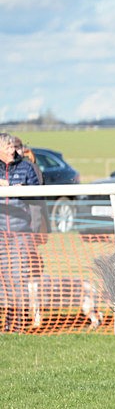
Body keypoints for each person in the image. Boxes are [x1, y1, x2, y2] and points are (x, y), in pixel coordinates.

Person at [0, 132, 42, 330]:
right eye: (8, 147)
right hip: (1, 233)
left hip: (20, 233)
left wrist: (34, 229)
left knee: (19, 277)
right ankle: (7, 319)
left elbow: (36, 199)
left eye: (13, 147)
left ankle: (19, 321)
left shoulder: (26, 167)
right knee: (3, 279)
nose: (13, 150)